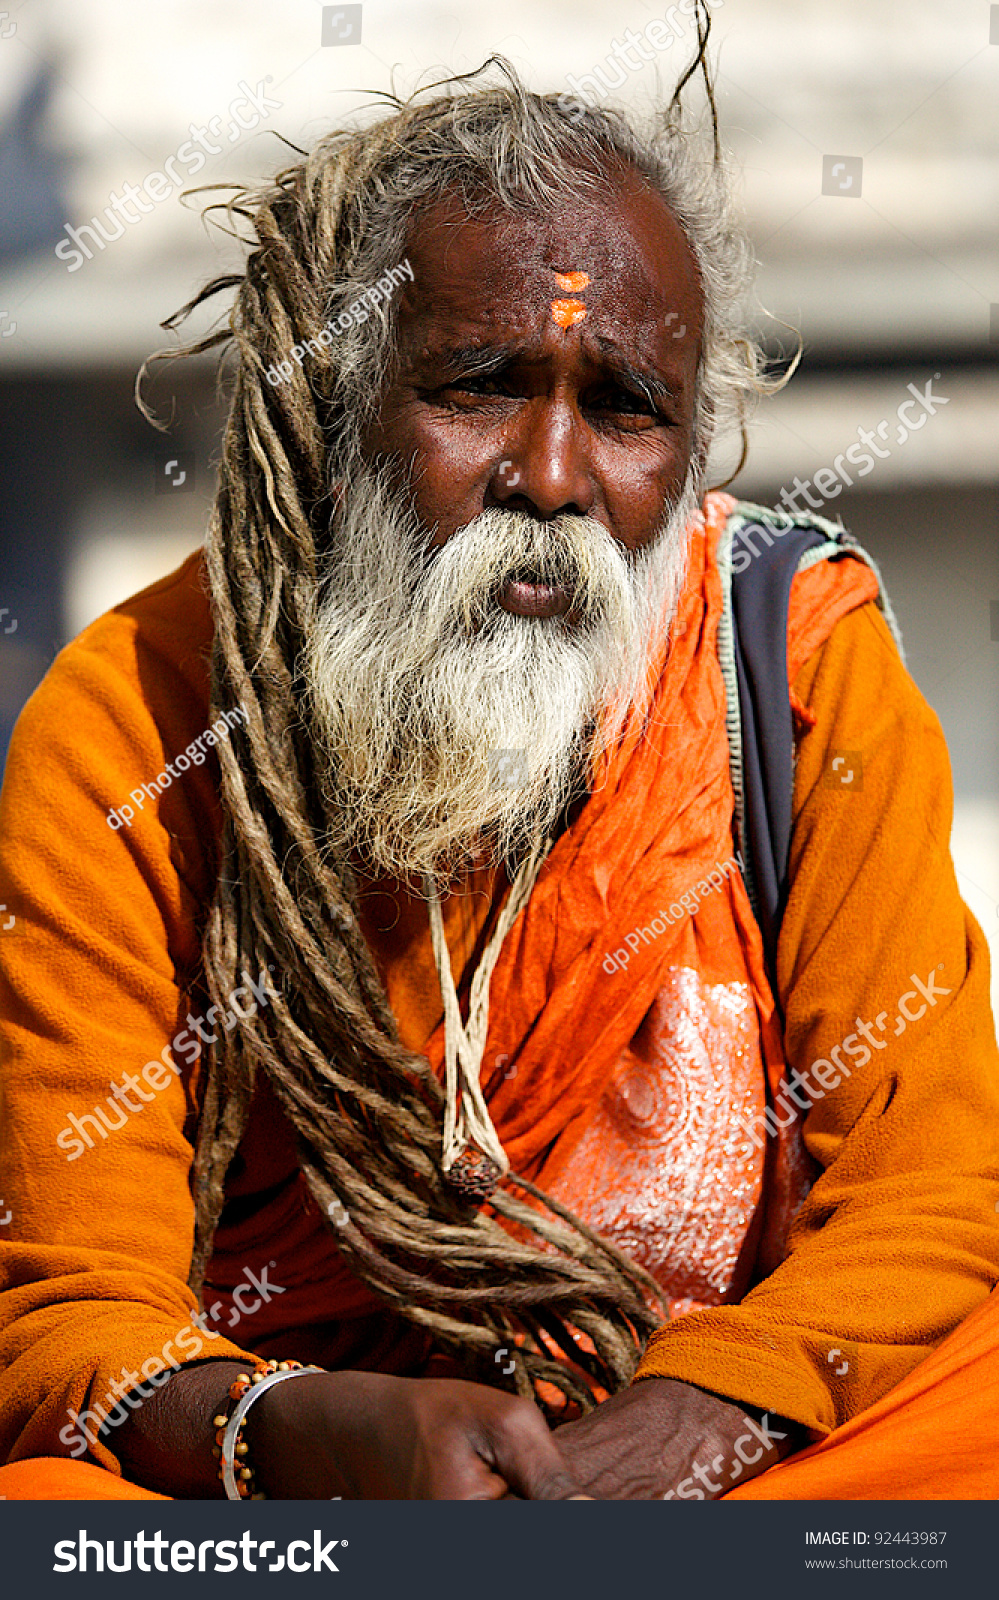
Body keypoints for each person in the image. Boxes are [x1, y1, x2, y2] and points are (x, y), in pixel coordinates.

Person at [0, 36, 997, 1502]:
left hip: (718, 1487)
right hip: (316, 1510)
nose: (551, 475)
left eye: (626, 409)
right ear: (336, 419)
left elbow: (933, 1200)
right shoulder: (136, 723)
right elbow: (68, 1319)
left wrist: (656, 1451)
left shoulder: (792, 669)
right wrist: (303, 1432)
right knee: (48, 1516)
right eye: (477, 387)